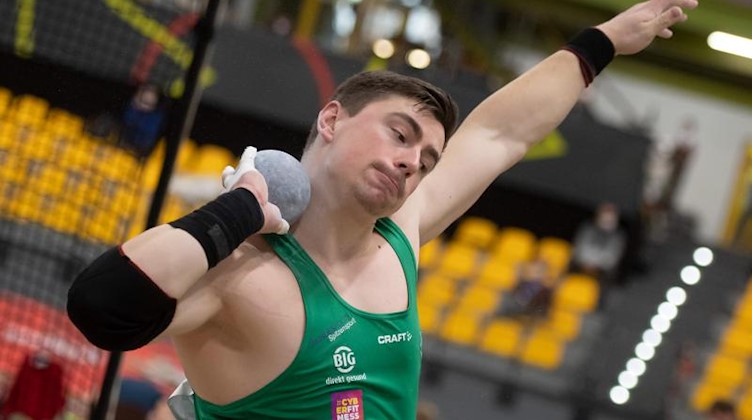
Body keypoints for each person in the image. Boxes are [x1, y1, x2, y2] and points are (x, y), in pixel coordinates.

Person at [66, 1, 697, 418]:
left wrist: (604, 40)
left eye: (426, 159)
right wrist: (235, 212)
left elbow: (502, 134)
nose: (413, 163)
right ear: (332, 119)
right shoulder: (239, 276)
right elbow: (100, 305)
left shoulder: (403, 231)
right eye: (400, 134)